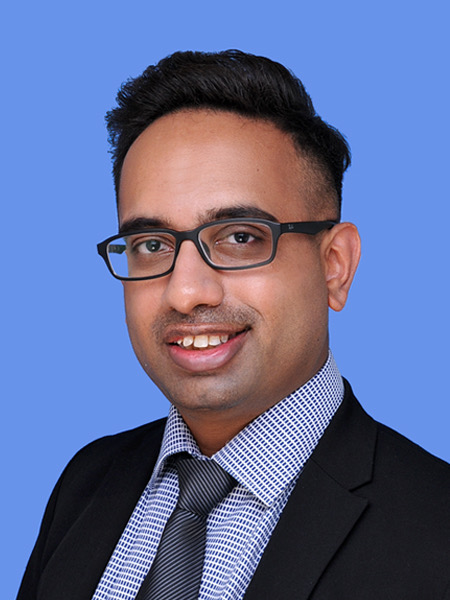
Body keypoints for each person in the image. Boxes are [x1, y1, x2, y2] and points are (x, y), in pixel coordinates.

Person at [17, 50, 450, 600]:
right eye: (151, 245)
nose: (185, 292)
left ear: (334, 266)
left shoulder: (437, 529)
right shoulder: (86, 483)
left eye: (240, 237)